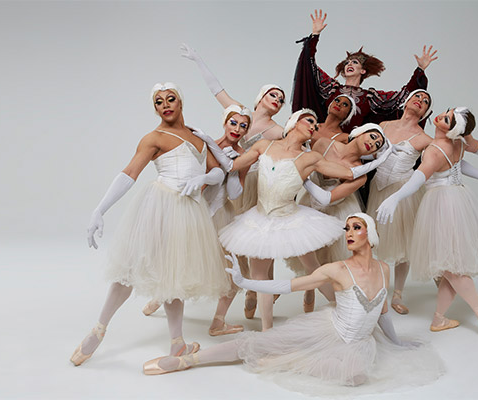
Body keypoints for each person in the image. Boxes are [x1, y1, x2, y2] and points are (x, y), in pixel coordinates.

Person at [143, 214, 444, 396]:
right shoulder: (336, 269)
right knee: (261, 342)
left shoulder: (384, 269)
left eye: (356, 228)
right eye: (347, 229)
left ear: (371, 234)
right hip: (329, 330)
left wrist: (398, 342)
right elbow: (286, 286)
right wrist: (245, 281)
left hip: (358, 343)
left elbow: (382, 314)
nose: (349, 234)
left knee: (356, 376)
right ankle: (189, 361)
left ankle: (288, 361)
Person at [70, 83, 233, 366]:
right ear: (155, 108)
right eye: (158, 102)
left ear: (181, 102)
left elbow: (218, 171)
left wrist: (204, 179)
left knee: (174, 275)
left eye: (170, 99)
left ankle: (177, 344)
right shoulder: (154, 137)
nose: (165, 105)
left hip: (190, 211)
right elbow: (129, 173)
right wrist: (100, 209)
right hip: (162, 205)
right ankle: (99, 328)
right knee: (132, 267)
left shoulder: (197, 137)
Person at [215, 109, 389, 331]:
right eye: (310, 121)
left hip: (292, 220)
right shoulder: (264, 145)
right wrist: (207, 142)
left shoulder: (311, 158)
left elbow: (349, 174)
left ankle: (347, 308)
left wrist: (379, 160)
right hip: (259, 220)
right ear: (294, 122)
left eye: (316, 125)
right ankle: (267, 330)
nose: (314, 126)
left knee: (314, 268)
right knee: (260, 277)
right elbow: (232, 166)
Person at [376, 107, 478, 343]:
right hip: (456, 198)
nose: (440, 116)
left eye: (446, 119)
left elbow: (419, 178)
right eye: (446, 113)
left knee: (451, 266)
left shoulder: (435, 150)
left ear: (451, 130)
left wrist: (395, 198)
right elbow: (461, 161)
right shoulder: (457, 143)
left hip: (442, 204)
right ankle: (439, 319)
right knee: (448, 265)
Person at [178, 43, 288, 319]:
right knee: (210, 241)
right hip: (221, 180)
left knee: (257, 243)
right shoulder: (238, 111)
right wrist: (198, 59)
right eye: (273, 94)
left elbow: (293, 149)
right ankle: (172, 292)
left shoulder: (278, 130)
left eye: (281, 99)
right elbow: (216, 88)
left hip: (250, 183)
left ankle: (257, 289)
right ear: (261, 96)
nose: (277, 100)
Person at [141, 104, 251, 337]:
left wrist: (231, 168)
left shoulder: (242, 155)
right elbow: (188, 176)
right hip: (195, 210)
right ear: (224, 122)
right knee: (179, 258)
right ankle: (161, 297)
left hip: (222, 214)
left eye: (243, 126)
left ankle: (218, 322)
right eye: (233, 122)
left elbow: (235, 194)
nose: (237, 129)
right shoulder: (200, 143)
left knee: (234, 268)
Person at [290, 123, 388, 312]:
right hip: (310, 203)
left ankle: (340, 306)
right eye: (373, 136)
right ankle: (310, 287)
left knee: (330, 259)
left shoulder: (361, 175)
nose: (373, 143)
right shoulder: (324, 144)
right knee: (309, 252)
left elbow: (329, 199)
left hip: (338, 209)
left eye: (378, 145)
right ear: (360, 133)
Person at [291, 9, 437, 131]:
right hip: (321, 137)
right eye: (347, 62)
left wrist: (420, 69)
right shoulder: (330, 88)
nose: (349, 64)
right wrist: (315, 36)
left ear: (363, 71)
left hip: (347, 146)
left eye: (354, 62)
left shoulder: (371, 98)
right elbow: (309, 66)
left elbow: (405, 96)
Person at [365, 89, 435, 314]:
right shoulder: (384, 125)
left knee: (403, 244)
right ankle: (372, 287)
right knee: (373, 239)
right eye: (417, 96)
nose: (420, 101)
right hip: (377, 188)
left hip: (403, 191)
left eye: (425, 101)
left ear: (426, 112)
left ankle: (397, 294)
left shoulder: (425, 138)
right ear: (406, 101)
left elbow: (440, 160)